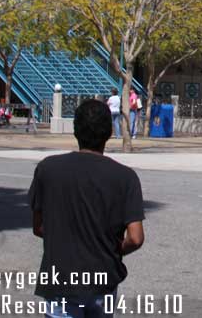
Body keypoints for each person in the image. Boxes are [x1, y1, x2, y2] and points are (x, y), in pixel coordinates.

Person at [29, 99, 145, 317]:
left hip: (60, 280)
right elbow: (136, 237)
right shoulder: (125, 177)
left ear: (75, 131)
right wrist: (111, 248)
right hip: (102, 279)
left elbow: (38, 227)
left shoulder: (48, 169)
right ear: (110, 132)